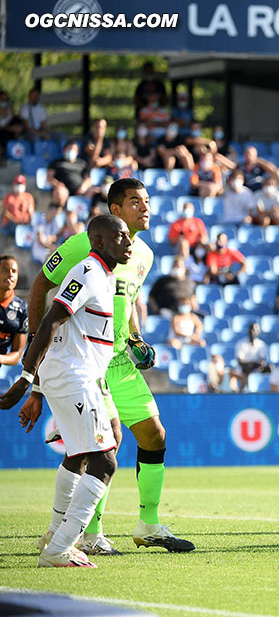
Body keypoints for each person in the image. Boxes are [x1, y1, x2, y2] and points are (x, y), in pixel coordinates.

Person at [25, 179, 195, 555]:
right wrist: (35, 360)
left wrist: (135, 337)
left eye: (147, 201)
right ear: (115, 210)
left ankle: (148, 524)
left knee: (154, 436)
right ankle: (90, 533)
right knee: (105, 444)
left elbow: (128, 299)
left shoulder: (145, 255)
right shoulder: (82, 245)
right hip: (88, 362)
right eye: (136, 201)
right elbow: (40, 287)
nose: (145, 208)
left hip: (121, 362)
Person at [4, 214, 133, 567]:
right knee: (105, 459)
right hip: (72, 377)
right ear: (100, 242)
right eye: (120, 236)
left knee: (78, 455)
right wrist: (28, 378)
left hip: (74, 375)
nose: (128, 242)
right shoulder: (88, 273)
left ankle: (54, 533)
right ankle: (61, 546)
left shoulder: (105, 276)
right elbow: (49, 322)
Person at [0, 255, 27, 366]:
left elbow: (16, 354)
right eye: (5, 270)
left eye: (14, 271)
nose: (10, 274)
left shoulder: (21, 309)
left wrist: (1, 358)